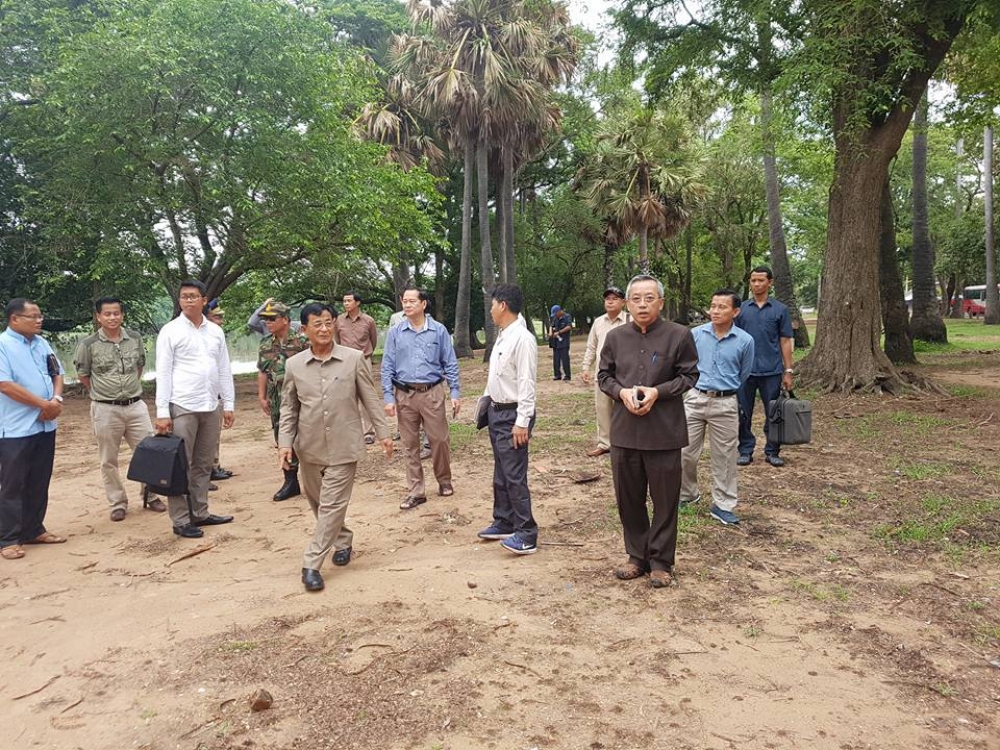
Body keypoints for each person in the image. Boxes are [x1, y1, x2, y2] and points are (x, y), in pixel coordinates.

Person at [279, 302, 393, 592]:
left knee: (331, 504)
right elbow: (289, 408)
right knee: (319, 503)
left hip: (345, 444)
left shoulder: (353, 359)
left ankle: (311, 564)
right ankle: (342, 540)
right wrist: (285, 444)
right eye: (317, 324)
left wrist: (384, 433)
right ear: (304, 330)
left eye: (328, 322)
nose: (324, 329)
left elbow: (370, 398)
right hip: (309, 446)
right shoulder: (294, 365)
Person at [598, 274, 699, 588]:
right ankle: (636, 556)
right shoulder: (615, 338)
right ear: (627, 303)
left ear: (661, 302)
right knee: (628, 498)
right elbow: (604, 376)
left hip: (664, 432)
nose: (643, 304)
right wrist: (621, 392)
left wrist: (658, 391)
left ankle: (661, 562)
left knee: (665, 501)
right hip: (625, 431)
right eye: (636, 299)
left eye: (649, 298)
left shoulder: (679, 335)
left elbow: (689, 376)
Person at [154, 279, 236, 539]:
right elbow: (163, 372)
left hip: (210, 405)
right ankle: (180, 520)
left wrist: (228, 403)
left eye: (193, 296)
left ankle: (200, 512)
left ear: (204, 300)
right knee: (180, 464)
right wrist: (162, 411)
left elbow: (223, 368)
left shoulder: (215, 331)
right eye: (184, 296)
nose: (188, 300)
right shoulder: (170, 331)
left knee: (203, 463)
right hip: (183, 405)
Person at [73, 296, 164, 521]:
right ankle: (117, 503)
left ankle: (151, 495)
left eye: (116, 313)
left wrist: (129, 388)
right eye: (107, 314)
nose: (112, 317)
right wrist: (102, 392)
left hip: (135, 406)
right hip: (105, 409)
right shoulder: (88, 344)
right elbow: (83, 375)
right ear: (98, 317)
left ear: (122, 315)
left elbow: (139, 366)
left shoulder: (134, 338)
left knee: (149, 452)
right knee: (108, 459)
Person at [381, 287, 461, 510]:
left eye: (412, 301)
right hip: (404, 395)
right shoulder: (396, 333)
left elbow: (450, 363)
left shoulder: (438, 331)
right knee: (410, 445)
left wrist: (455, 392)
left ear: (423, 304)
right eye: (404, 301)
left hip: (432, 392)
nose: (407, 305)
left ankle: (444, 480)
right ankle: (416, 491)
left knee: (439, 440)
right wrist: (388, 397)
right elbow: (387, 366)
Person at [679, 290, 755, 526]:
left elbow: (744, 373)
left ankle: (723, 505)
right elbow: (686, 365)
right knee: (684, 452)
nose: (715, 311)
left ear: (735, 311)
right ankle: (687, 494)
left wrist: (724, 389)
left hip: (725, 402)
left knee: (725, 457)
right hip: (695, 398)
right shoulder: (695, 335)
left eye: (722, 307)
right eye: (713, 306)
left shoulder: (745, 341)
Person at [0, 298, 67, 559]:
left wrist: (56, 400)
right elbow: (5, 384)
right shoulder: (3, 345)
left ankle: (34, 529)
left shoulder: (42, 343)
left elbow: (57, 372)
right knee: (13, 484)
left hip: (45, 425)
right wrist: (42, 404)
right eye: (33, 316)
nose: (39, 320)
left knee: (39, 480)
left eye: (40, 316)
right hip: (15, 428)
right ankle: (8, 539)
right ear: (14, 319)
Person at [477, 283, 539, 555]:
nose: (490, 309)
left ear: (502, 305)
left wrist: (522, 421)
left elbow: (526, 382)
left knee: (514, 475)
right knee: (501, 473)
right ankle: (504, 520)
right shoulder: (504, 335)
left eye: (492, 304)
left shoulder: (522, 339)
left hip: (513, 414)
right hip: (497, 412)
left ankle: (526, 532)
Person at [735, 266, 795, 467]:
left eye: (761, 280)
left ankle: (772, 451)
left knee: (774, 413)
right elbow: (734, 339)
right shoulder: (741, 309)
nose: (756, 284)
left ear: (770, 282)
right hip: (745, 372)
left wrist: (788, 371)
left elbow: (785, 341)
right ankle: (745, 450)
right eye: (753, 280)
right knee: (743, 413)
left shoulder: (780, 310)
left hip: (772, 371)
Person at [257, 301, 310, 501]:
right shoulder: (265, 343)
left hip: (301, 397)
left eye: (272, 319)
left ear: (286, 320)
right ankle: (290, 481)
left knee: (310, 435)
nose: (268, 323)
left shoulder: (302, 341)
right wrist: (262, 396)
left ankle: (320, 479)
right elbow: (262, 371)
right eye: (266, 319)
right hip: (278, 398)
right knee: (282, 436)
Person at [581, 286, 629, 457]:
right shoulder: (598, 322)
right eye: (607, 299)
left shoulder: (630, 321)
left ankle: (624, 443)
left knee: (624, 410)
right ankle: (605, 443)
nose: (610, 302)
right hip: (602, 374)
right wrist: (586, 367)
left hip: (625, 374)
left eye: (615, 299)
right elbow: (592, 346)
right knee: (602, 409)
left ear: (623, 302)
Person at [336, 290, 379, 444]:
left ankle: (369, 432)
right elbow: (337, 340)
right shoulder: (338, 321)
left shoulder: (369, 321)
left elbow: (373, 340)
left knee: (366, 395)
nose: (346, 303)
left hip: (363, 360)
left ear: (357, 302)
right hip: (344, 361)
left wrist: (367, 355)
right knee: (346, 395)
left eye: (349, 301)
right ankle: (350, 431)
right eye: (344, 301)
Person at [205, 300, 233, 482]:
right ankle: (209, 469)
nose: (221, 321)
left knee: (214, 433)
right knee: (207, 436)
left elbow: (223, 369)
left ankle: (214, 465)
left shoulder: (217, 335)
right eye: (217, 317)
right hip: (203, 395)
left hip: (216, 393)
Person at [548, 304, 573, 381]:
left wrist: (559, 332)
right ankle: (557, 375)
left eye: (555, 314)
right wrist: (550, 332)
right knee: (556, 360)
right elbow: (551, 326)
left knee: (565, 359)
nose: (555, 316)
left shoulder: (567, 317)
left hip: (564, 342)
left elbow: (569, 327)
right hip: (556, 343)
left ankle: (567, 376)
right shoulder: (555, 318)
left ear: (559, 311)